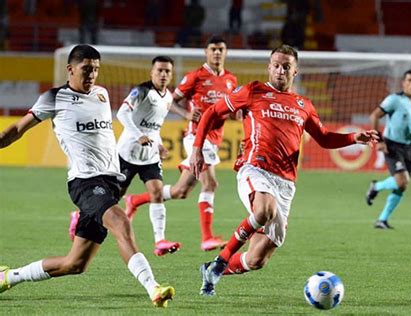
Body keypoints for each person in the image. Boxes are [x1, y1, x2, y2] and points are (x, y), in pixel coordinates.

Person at [189, 44, 379, 296]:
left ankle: (212, 270)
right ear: (269, 67)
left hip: (286, 183)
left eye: (286, 67)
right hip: (255, 168)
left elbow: (323, 138)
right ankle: (222, 258)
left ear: (295, 71)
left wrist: (355, 137)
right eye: (276, 65)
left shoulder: (303, 104)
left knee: (257, 259)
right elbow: (212, 112)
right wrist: (196, 148)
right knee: (265, 210)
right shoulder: (252, 91)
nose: (280, 70)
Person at [0, 45, 175, 307]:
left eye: (95, 69)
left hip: (110, 182)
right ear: (70, 69)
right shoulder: (54, 98)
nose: (92, 74)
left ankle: (9, 276)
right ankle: (154, 288)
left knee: (75, 264)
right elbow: (17, 129)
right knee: (120, 222)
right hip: (84, 182)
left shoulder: (102, 94)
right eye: (86, 69)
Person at [69, 55, 193, 256]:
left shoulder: (168, 97)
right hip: (127, 153)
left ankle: (160, 241)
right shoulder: (142, 91)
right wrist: (139, 135)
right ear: (151, 72)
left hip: (149, 155)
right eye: (159, 70)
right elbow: (122, 114)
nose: (163, 74)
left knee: (157, 192)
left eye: (167, 71)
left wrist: (159, 145)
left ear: (171, 75)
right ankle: (79, 215)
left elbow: (155, 126)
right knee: (112, 198)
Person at [125, 35, 238, 252]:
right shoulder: (195, 76)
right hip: (196, 137)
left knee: (181, 191)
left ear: (225, 53)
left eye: (221, 49)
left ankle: (135, 200)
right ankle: (207, 238)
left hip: (214, 139)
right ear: (206, 52)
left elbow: (232, 109)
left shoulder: (231, 80)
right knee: (211, 183)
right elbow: (169, 101)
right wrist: (186, 113)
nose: (217, 53)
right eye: (213, 49)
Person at [366, 69, 411, 229]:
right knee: (402, 180)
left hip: (408, 147)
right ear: (404, 83)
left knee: (402, 185)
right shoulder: (394, 100)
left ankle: (382, 219)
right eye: (409, 80)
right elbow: (374, 116)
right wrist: (379, 140)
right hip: (391, 145)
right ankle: (376, 187)